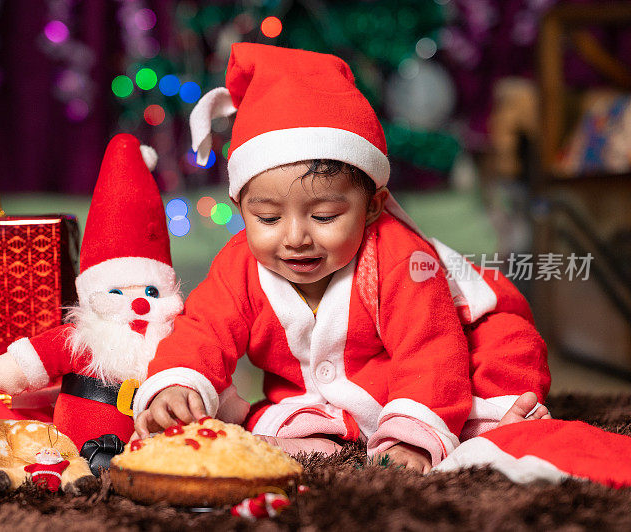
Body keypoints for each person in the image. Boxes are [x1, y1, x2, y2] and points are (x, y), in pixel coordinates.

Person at [132, 43, 550, 473]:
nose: (295, 238)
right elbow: (203, 329)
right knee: (255, 422)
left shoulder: (398, 257)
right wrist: (178, 383)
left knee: (498, 355)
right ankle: (331, 429)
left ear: (372, 207)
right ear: (242, 208)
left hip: (454, 341)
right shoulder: (239, 266)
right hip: (339, 389)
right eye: (268, 217)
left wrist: (413, 438)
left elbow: (430, 348)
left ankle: (487, 422)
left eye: (324, 216)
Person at [0, 134, 183, 473]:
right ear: (91, 292)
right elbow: (35, 358)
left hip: (159, 454)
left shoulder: (178, 339)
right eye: (118, 293)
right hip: (76, 449)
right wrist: (10, 369)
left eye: (151, 293)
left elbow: (205, 374)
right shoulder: (81, 338)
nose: (138, 304)